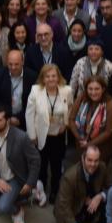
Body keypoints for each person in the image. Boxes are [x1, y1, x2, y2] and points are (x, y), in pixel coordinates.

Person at [0, 106, 41, 223]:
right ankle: (23, 196)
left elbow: (35, 160)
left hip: (15, 178)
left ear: (7, 121)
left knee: (2, 208)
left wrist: (30, 182)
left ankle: (18, 211)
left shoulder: (21, 137)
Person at [25, 64, 74, 205]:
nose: (51, 79)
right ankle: (40, 192)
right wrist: (32, 136)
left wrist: (66, 124)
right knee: (41, 164)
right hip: (41, 134)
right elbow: (29, 114)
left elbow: (71, 108)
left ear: (58, 77)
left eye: (54, 76)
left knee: (56, 165)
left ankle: (54, 191)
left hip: (58, 135)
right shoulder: (35, 91)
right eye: (47, 76)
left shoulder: (67, 90)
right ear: (43, 78)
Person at [55, 144, 112, 223]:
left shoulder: (102, 167)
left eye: (96, 160)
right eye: (89, 160)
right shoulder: (70, 176)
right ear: (83, 159)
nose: (93, 164)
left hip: (91, 201)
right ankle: (82, 222)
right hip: (73, 208)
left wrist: (100, 196)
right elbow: (64, 206)